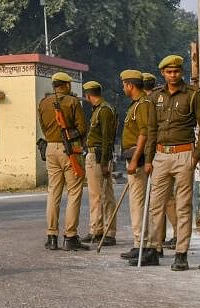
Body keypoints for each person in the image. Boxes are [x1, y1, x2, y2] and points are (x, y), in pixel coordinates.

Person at [141, 55, 200, 270]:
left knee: (183, 206)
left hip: (184, 154)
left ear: (181, 72)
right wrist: (148, 158)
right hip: (160, 155)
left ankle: (181, 253)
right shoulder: (155, 96)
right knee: (155, 205)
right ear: (163, 73)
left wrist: (196, 155)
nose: (173, 75)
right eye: (169, 72)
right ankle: (154, 247)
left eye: (176, 71)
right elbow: (152, 130)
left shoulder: (193, 94)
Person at [37, 72, 87, 251]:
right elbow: (82, 128)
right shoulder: (73, 102)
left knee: (53, 193)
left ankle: (51, 236)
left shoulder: (43, 103)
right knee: (74, 192)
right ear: (66, 85)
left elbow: (43, 126)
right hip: (70, 149)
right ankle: (70, 236)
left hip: (50, 148)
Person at [118, 70, 154, 262]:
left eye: (124, 84)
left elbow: (144, 133)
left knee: (138, 204)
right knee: (135, 204)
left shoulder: (143, 105)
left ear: (130, 85)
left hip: (138, 159)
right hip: (134, 157)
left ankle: (144, 245)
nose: (123, 88)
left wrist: (135, 159)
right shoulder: (136, 105)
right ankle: (139, 243)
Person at [143, 71, 177, 250]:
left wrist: (147, 158)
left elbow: (149, 132)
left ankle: (162, 239)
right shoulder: (155, 98)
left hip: (161, 154)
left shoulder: (151, 100)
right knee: (162, 200)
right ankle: (160, 238)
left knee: (163, 199)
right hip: (159, 153)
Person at [83, 80, 117, 247]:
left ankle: (100, 231)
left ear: (88, 95)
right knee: (101, 195)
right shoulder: (100, 109)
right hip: (97, 155)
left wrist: (104, 162)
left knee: (100, 196)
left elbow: (106, 138)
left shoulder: (104, 111)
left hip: (98, 156)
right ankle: (103, 230)